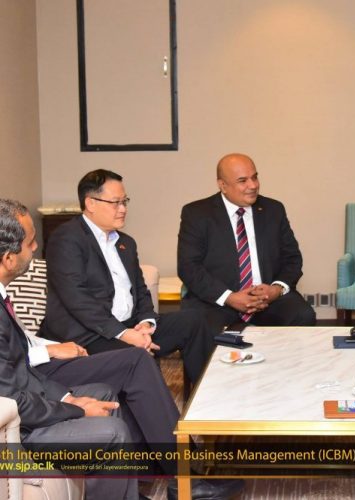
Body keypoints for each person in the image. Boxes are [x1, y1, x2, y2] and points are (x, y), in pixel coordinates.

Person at [0, 198, 137, 499]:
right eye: (30, 243)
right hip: (18, 429)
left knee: (103, 393)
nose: (36, 248)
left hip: (26, 406)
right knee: (115, 432)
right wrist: (76, 409)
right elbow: (13, 399)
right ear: (8, 258)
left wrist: (68, 397)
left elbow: (22, 370)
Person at [39, 170, 214, 384]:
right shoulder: (67, 238)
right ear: (91, 203)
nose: (123, 209)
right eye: (115, 203)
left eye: (124, 201)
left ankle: (204, 398)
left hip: (129, 326)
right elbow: (77, 299)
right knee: (139, 356)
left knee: (194, 321)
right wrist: (125, 334)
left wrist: (146, 323)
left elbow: (140, 290)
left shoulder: (126, 243)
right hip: (89, 335)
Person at [177, 153, 316, 330]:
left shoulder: (273, 210)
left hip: (267, 301)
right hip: (218, 301)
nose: (253, 185)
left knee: (302, 315)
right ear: (223, 185)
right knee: (199, 325)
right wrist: (229, 297)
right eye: (243, 181)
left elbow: (292, 259)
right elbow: (188, 267)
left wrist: (276, 289)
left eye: (255, 177)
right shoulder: (197, 214)